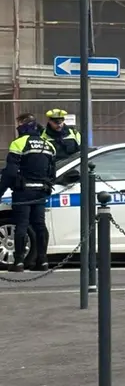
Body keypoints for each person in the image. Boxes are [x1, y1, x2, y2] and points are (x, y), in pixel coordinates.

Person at [0, 113, 57, 272]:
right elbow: (53, 173)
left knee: (22, 225)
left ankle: (18, 262)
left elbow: (10, 172)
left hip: (23, 192)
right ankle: (43, 261)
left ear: (24, 125)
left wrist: (1, 190)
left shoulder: (19, 143)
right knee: (39, 225)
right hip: (41, 192)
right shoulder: (48, 145)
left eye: (19, 124)